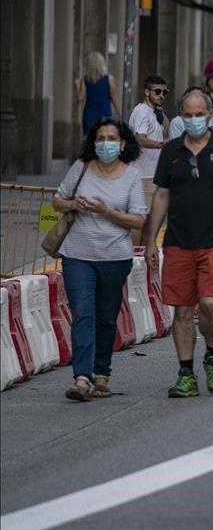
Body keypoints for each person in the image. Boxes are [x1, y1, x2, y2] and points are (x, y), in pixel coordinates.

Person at [144, 88, 213, 398]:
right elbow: (161, 195)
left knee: (209, 304)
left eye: (199, 115)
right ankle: (186, 373)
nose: (193, 121)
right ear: (181, 117)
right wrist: (151, 240)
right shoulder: (171, 151)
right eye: (187, 116)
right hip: (178, 241)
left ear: (210, 116)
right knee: (180, 311)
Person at [53, 119, 146, 401]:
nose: (105, 143)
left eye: (111, 138)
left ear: (122, 144)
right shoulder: (80, 168)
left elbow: (138, 219)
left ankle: (101, 373)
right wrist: (72, 204)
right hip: (77, 255)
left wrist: (106, 211)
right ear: (93, 143)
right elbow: (57, 200)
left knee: (106, 317)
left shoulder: (131, 176)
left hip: (115, 258)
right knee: (82, 313)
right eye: (100, 138)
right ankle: (82, 377)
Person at [128, 75, 169, 209]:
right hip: (143, 176)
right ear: (147, 92)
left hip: (154, 174)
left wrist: (161, 115)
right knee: (143, 220)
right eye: (157, 92)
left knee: (152, 220)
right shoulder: (141, 112)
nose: (161, 96)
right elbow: (141, 139)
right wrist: (162, 146)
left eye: (165, 92)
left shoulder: (155, 112)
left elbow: (170, 130)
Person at [76, 51, 120, 136]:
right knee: (103, 140)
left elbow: (80, 98)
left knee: (89, 142)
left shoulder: (85, 80)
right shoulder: (109, 79)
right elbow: (114, 98)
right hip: (104, 115)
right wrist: (120, 114)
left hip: (88, 116)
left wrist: (77, 86)